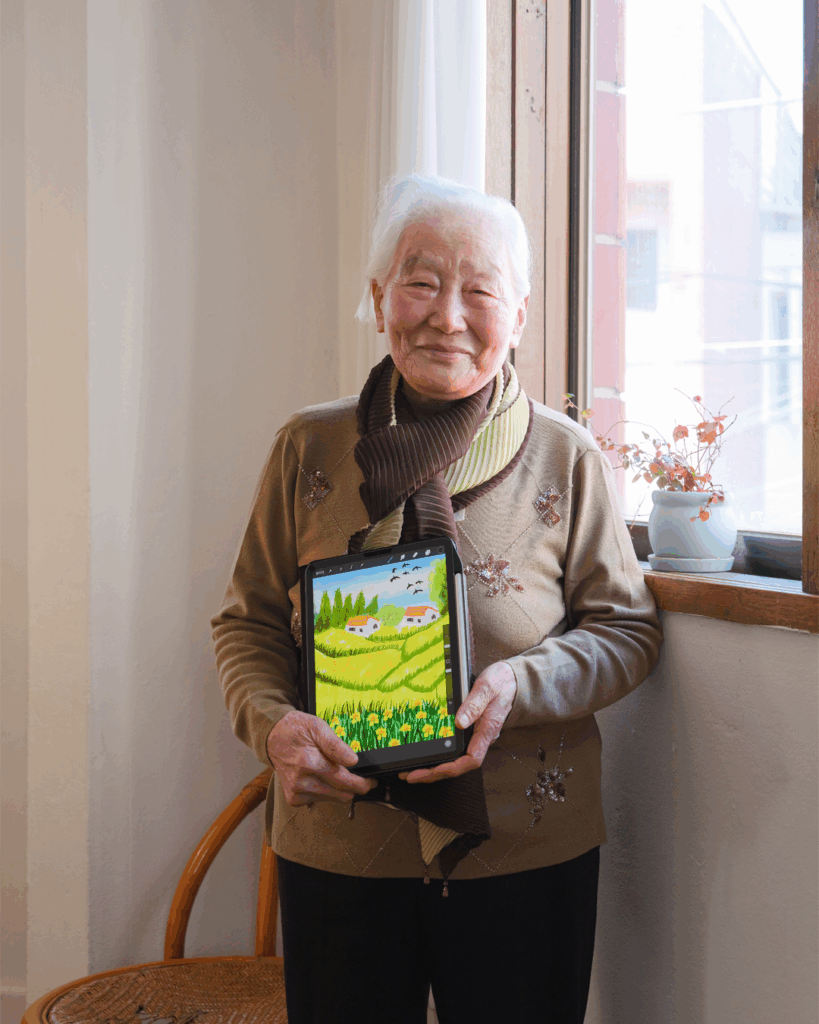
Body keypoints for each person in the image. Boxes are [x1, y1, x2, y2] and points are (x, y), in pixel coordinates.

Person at [211, 173, 663, 1024]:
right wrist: (272, 726)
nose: (447, 316)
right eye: (419, 282)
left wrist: (517, 685)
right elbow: (250, 622)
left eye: (479, 291)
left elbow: (625, 631)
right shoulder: (309, 447)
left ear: (518, 314)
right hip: (338, 839)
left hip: (524, 841)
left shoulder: (565, 456)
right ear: (379, 296)